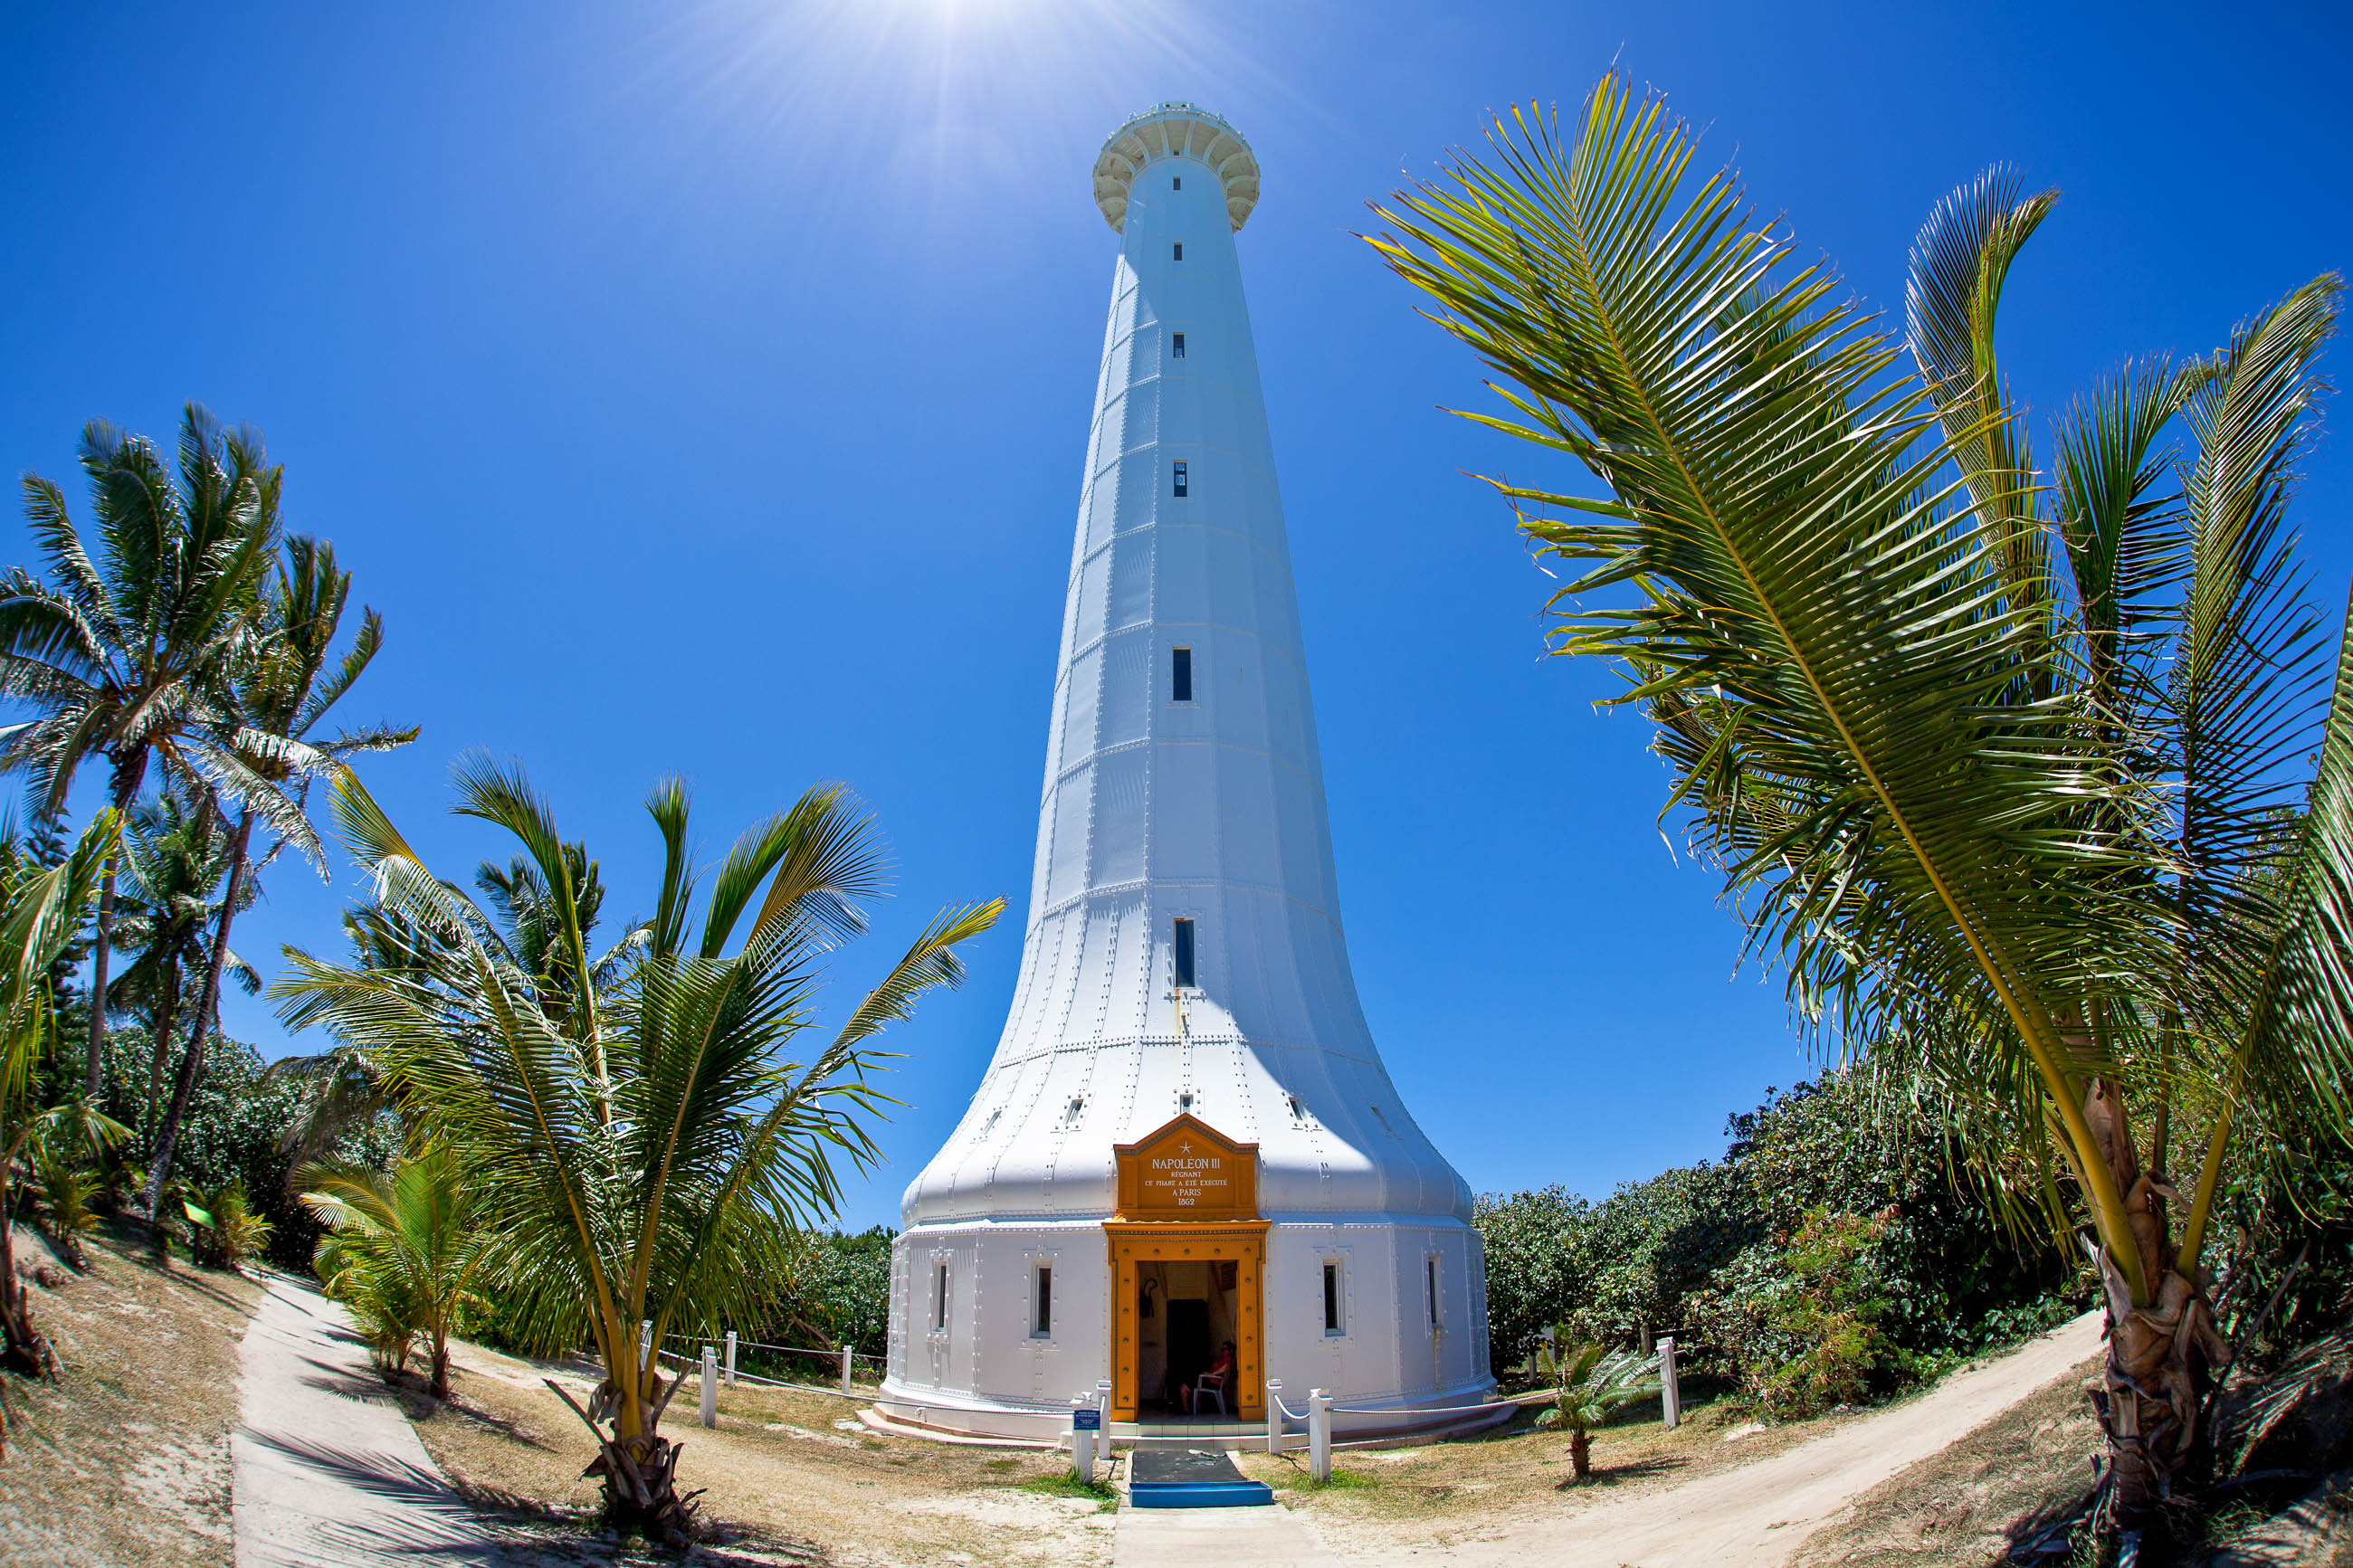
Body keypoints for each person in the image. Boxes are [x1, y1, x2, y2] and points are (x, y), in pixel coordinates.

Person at [1190, 1340, 1238, 1415]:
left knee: (1187, 1385)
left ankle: (1188, 1409)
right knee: (1191, 1381)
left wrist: (1211, 1374)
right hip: (1212, 1381)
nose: (1223, 1351)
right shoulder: (1224, 1358)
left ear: (1231, 1351)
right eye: (1222, 1349)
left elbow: (1225, 1368)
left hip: (1214, 1383)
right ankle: (1189, 1406)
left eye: (1225, 1349)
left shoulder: (1228, 1358)